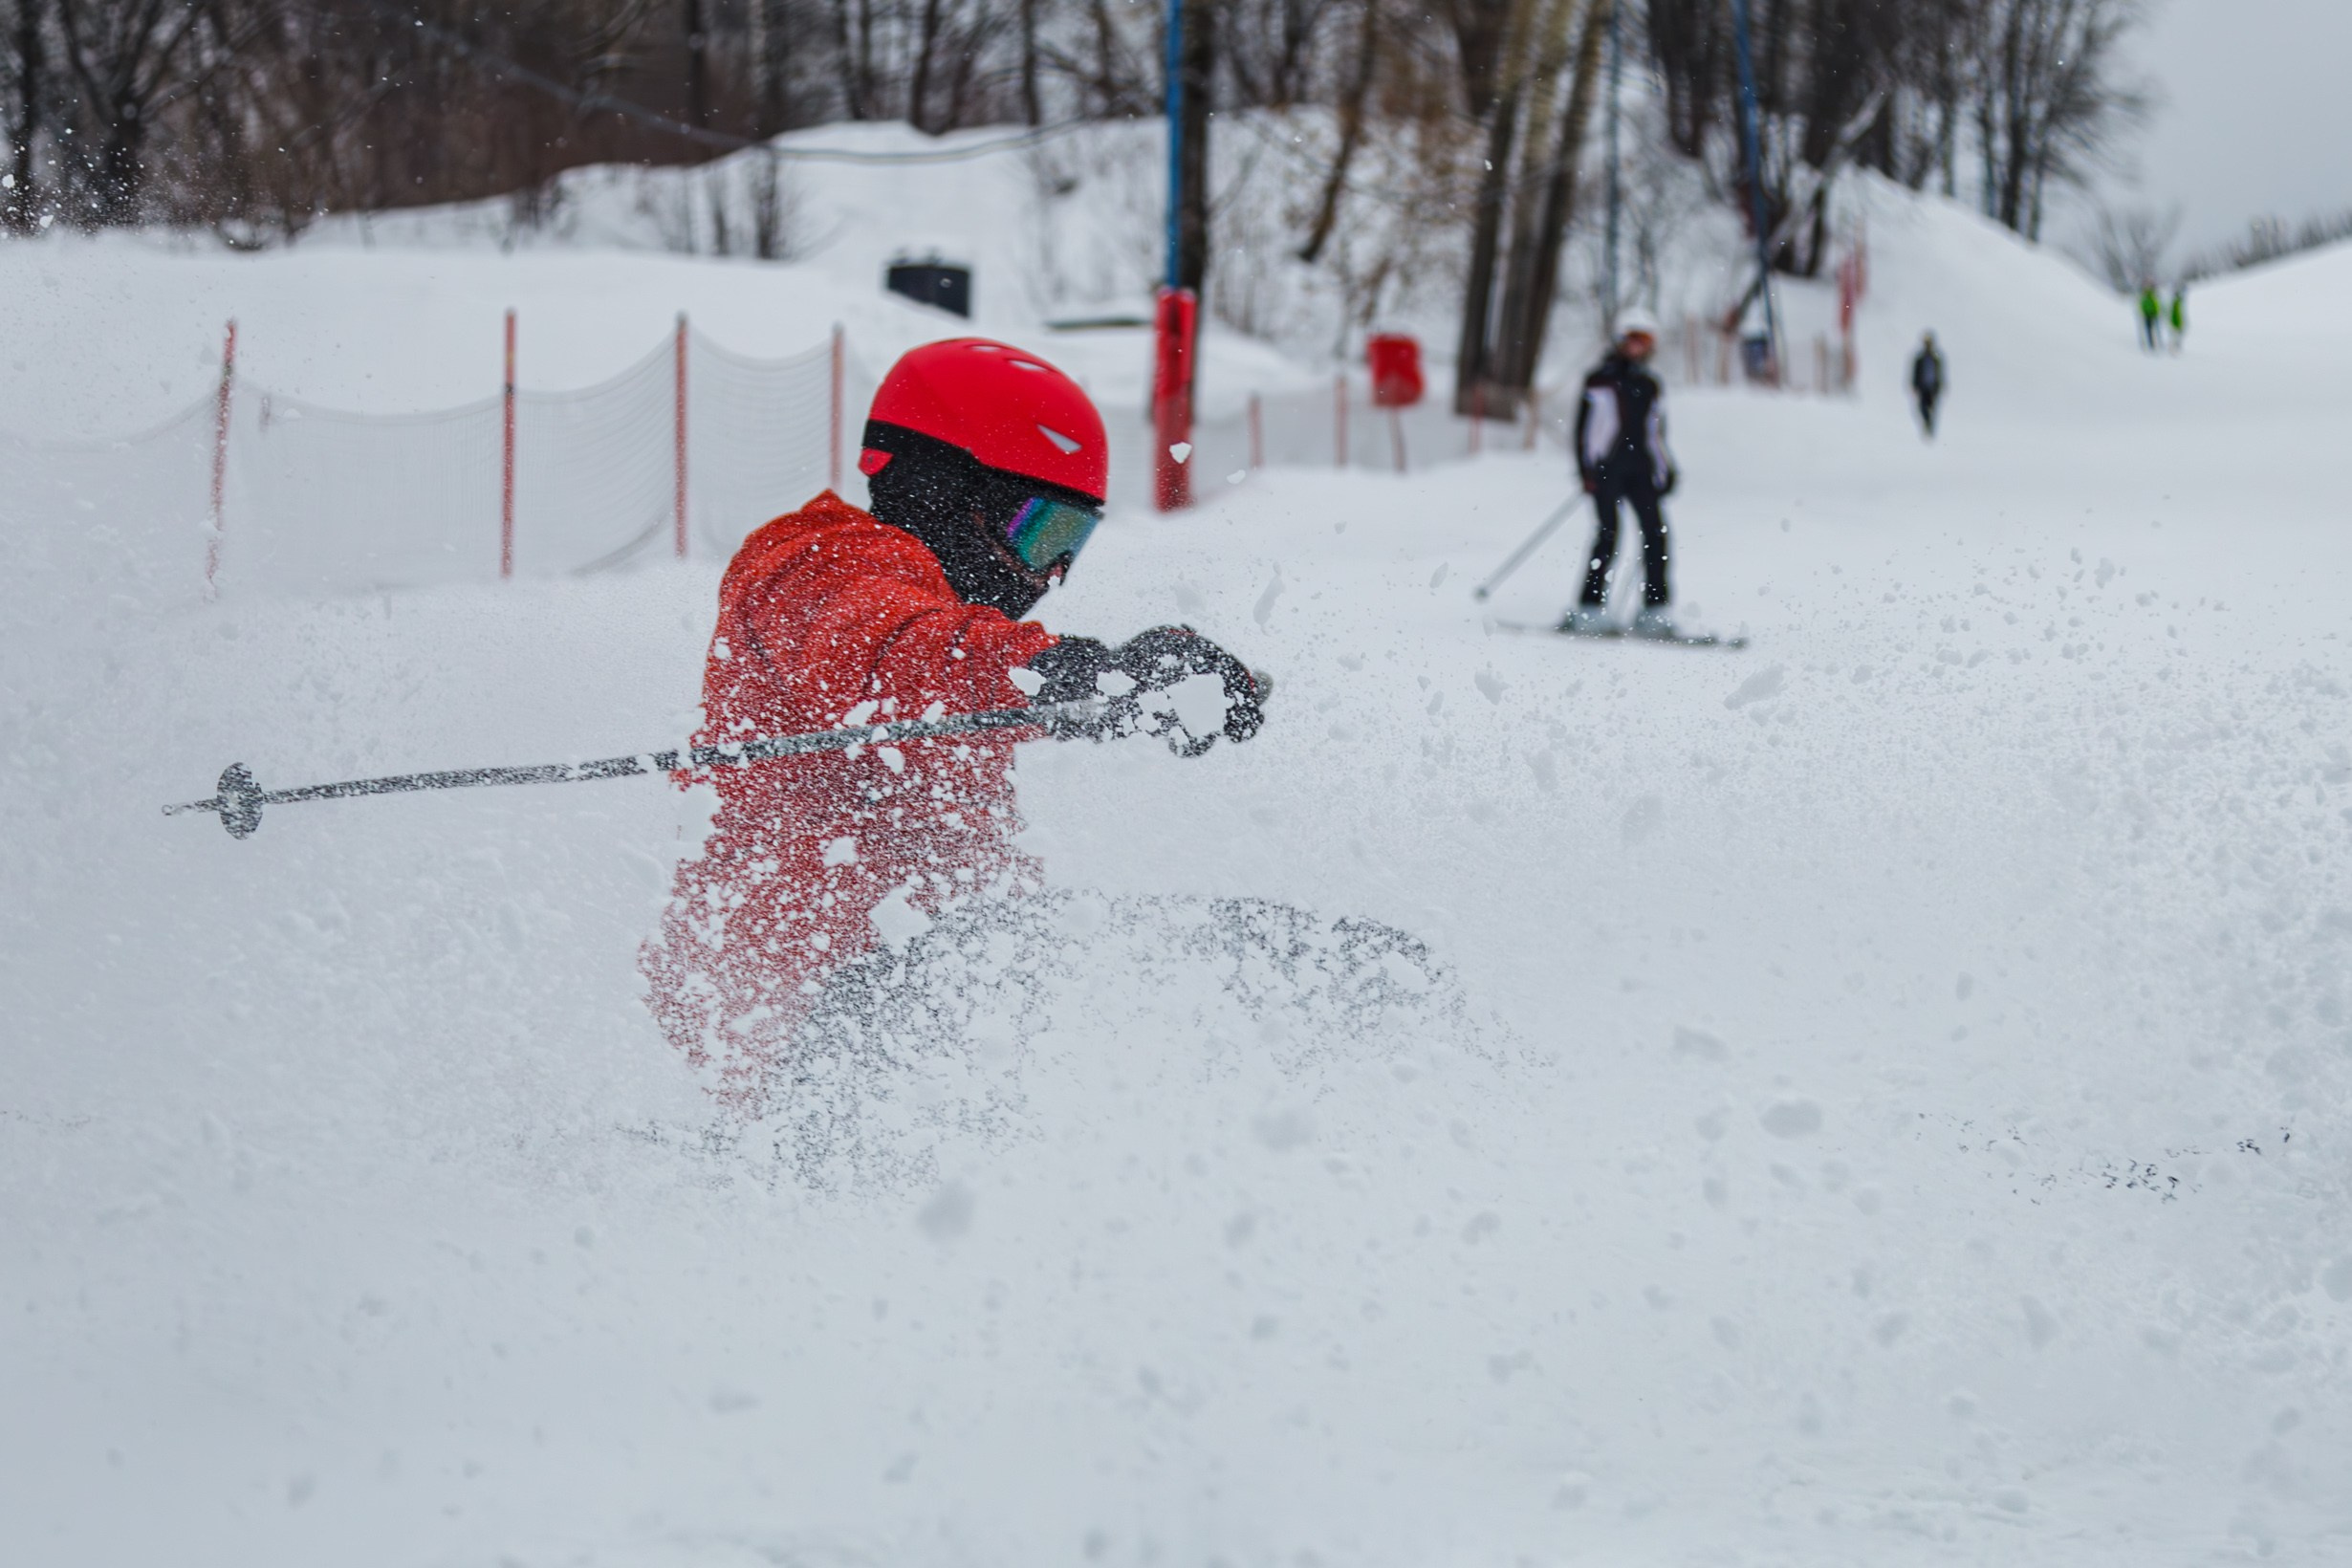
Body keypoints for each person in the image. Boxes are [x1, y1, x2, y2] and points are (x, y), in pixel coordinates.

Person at [642, 338, 1267, 1100]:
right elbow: (894, 660)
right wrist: (1083, 673)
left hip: (923, 1005)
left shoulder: (950, 632)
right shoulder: (818, 562)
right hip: (791, 1021)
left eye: (1069, 545)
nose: (1048, 576)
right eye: (1038, 533)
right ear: (940, 487)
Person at [1562, 309, 1677, 637]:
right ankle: (1589, 606)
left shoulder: (1649, 384)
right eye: (1632, 339)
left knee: (1656, 534)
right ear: (1620, 340)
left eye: (1645, 340)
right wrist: (1586, 469)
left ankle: (1655, 609)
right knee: (1608, 534)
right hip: (1607, 468)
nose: (1638, 346)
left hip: (1640, 468)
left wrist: (1665, 467)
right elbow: (1585, 430)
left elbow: (1654, 431)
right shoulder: (1600, 379)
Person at [1909, 331, 1945, 438]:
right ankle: (1927, 422)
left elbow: (1939, 373)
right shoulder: (1920, 359)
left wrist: (1939, 385)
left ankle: (1930, 425)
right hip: (1923, 386)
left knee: (1931, 406)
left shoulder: (1936, 358)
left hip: (1932, 387)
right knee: (1922, 407)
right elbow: (1915, 372)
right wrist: (1914, 384)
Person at [2138, 281, 2163, 352]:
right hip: (2152, 314)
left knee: (2149, 329)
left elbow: (2142, 305)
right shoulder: (2151, 296)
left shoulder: (2145, 297)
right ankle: (2155, 342)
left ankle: (2152, 343)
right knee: (2154, 328)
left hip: (2148, 314)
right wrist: (2157, 312)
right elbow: (2155, 305)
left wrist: (2143, 311)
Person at [2168, 284, 2188, 354]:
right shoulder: (2176, 303)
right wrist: (2177, 323)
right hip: (2177, 322)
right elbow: (2175, 314)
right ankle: (2174, 348)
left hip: (2178, 322)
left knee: (2177, 335)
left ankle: (2176, 346)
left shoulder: (2177, 303)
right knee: (2175, 336)